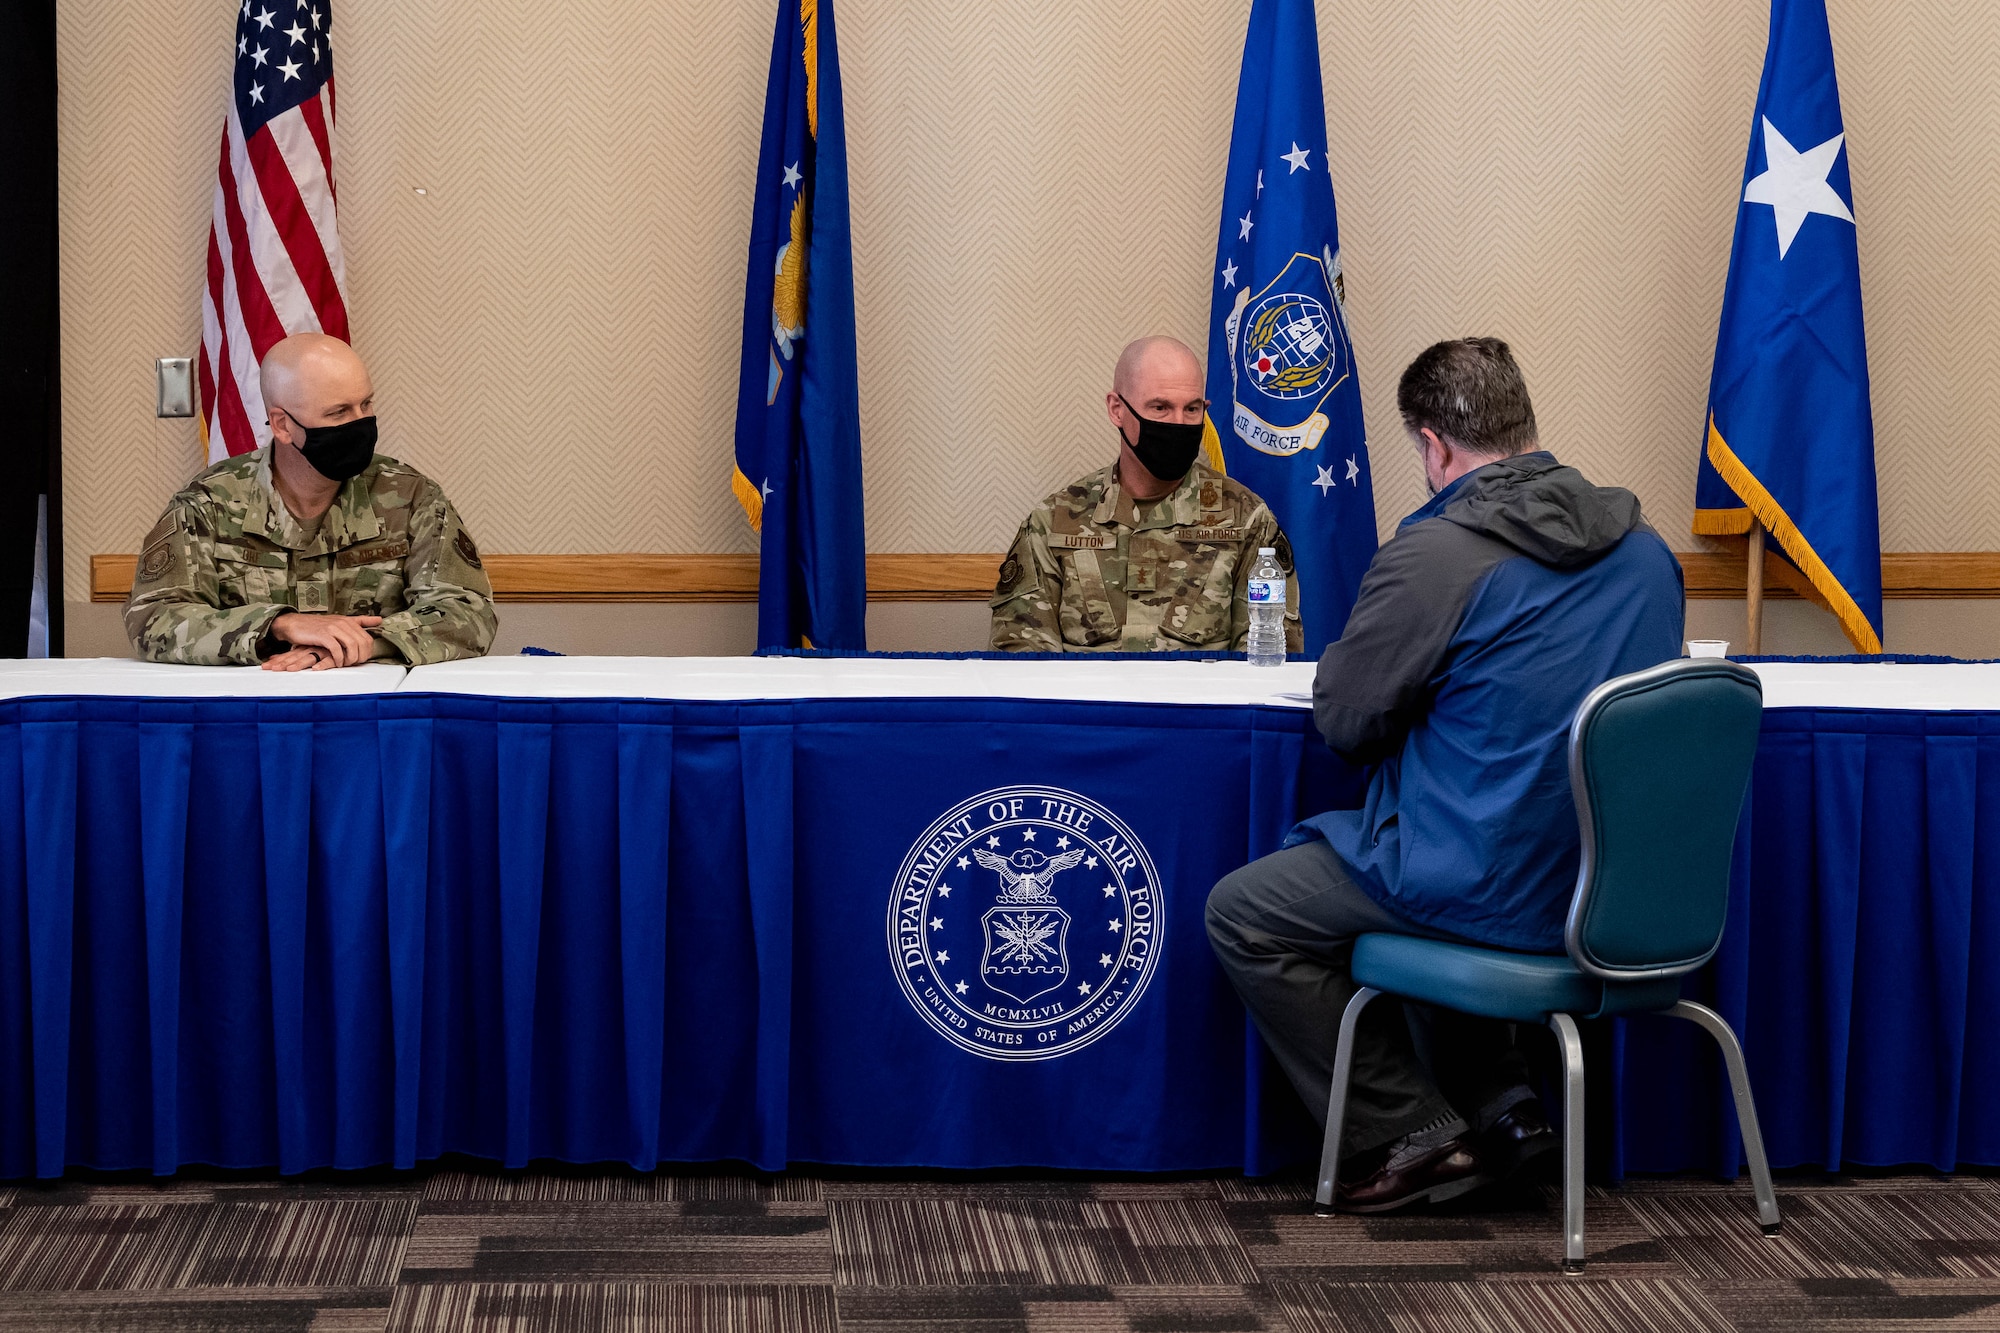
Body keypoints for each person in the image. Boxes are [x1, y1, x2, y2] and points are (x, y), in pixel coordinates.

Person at [1206, 337, 1684, 1213]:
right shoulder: (1649, 553)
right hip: (1605, 888)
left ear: (1432, 446)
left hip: (1476, 875)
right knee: (1455, 863)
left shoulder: (1434, 556)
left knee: (1247, 911)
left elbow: (1346, 724)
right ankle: (1505, 1107)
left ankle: (1407, 1130)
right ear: (1524, 423)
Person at [126, 333, 496, 669]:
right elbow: (153, 615)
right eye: (339, 412)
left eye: (366, 404)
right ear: (283, 425)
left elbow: (468, 611)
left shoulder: (412, 497)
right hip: (249, 711)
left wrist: (359, 642)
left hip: (373, 710)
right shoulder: (210, 503)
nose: (361, 423)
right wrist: (279, 625)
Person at [990, 336, 1301, 653]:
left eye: (1192, 409)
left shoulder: (1246, 519)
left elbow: (1268, 658)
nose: (1178, 424)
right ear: (1117, 410)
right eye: (1160, 408)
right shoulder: (1054, 522)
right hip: (1091, 701)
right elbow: (1022, 659)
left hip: (1201, 702)